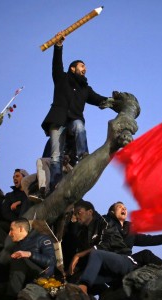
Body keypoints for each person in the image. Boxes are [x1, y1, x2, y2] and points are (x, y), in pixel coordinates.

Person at [40, 31, 112, 192]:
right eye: (82, 65)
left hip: (73, 120)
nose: (85, 68)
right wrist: (58, 46)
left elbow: (99, 99)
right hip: (58, 119)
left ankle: (83, 155)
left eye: (85, 66)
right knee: (56, 156)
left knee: (79, 126)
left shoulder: (85, 88)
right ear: (73, 68)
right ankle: (56, 184)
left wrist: (114, 102)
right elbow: (56, 64)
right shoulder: (62, 78)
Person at [0, 219, 56, 300]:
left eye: (11, 230)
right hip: (23, 276)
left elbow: (51, 261)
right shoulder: (17, 246)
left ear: (20, 229)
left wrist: (29, 254)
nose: (10, 233)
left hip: (41, 276)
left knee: (19, 261)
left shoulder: (42, 239)